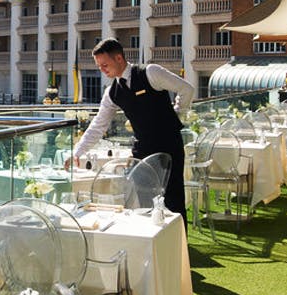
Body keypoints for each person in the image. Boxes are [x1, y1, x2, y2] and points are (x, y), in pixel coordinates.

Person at [67, 38, 194, 222]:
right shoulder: (111, 93)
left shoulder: (150, 72)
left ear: (119, 58)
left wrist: (177, 112)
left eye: (104, 64)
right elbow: (98, 125)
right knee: (144, 205)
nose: (102, 70)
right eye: (99, 66)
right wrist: (77, 151)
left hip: (169, 145)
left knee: (174, 202)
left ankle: (179, 249)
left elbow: (186, 89)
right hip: (141, 150)